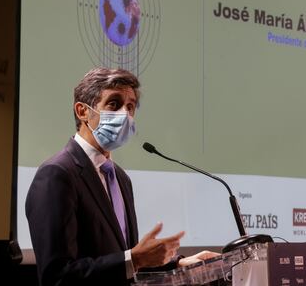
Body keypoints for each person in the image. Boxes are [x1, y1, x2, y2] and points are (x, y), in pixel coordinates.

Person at [26, 67, 218, 286]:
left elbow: (121, 258)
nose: (124, 115)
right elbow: (57, 276)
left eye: (130, 106)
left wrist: (178, 264)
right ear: (82, 111)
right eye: (114, 104)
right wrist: (134, 258)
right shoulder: (57, 174)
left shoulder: (120, 177)